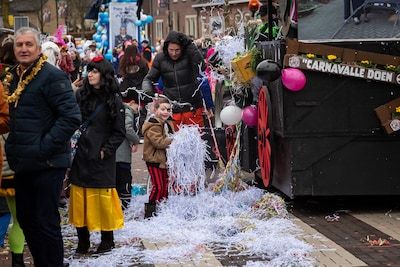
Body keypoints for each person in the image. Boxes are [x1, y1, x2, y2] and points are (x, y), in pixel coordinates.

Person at [4, 27, 81, 267]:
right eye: (20, 45)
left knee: (46, 220)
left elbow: (71, 117)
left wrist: (43, 147)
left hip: (48, 162)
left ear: (38, 49)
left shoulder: (53, 76)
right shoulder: (13, 76)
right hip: (23, 162)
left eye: (29, 44)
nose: (24, 49)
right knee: (27, 219)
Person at [68, 55, 125, 254]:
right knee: (80, 198)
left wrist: (106, 150)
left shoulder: (114, 99)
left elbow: (120, 132)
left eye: (94, 71)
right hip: (80, 155)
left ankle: (107, 240)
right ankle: (82, 240)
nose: (90, 74)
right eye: (89, 70)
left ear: (104, 75)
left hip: (101, 158)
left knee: (102, 200)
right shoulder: (81, 95)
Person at [142, 31, 213, 131]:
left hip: (192, 107)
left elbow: (202, 67)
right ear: (167, 48)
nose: (174, 53)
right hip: (172, 109)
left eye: (177, 50)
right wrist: (147, 90)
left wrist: (190, 44)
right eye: (171, 50)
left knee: (196, 141)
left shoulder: (189, 55)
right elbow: (148, 78)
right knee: (174, 142)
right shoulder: (160, 58)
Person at [142, 97, 174, 218]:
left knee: (165, 185)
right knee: (158, 186)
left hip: (162, 159)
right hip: (154, 159)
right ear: (156, 110)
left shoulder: (163, 123)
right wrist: (174, 139)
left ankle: (162, 209)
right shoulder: (154, 124)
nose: (166, 112)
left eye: (168, 109)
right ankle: (150, 213)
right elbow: (159, 143)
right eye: (162, 109)